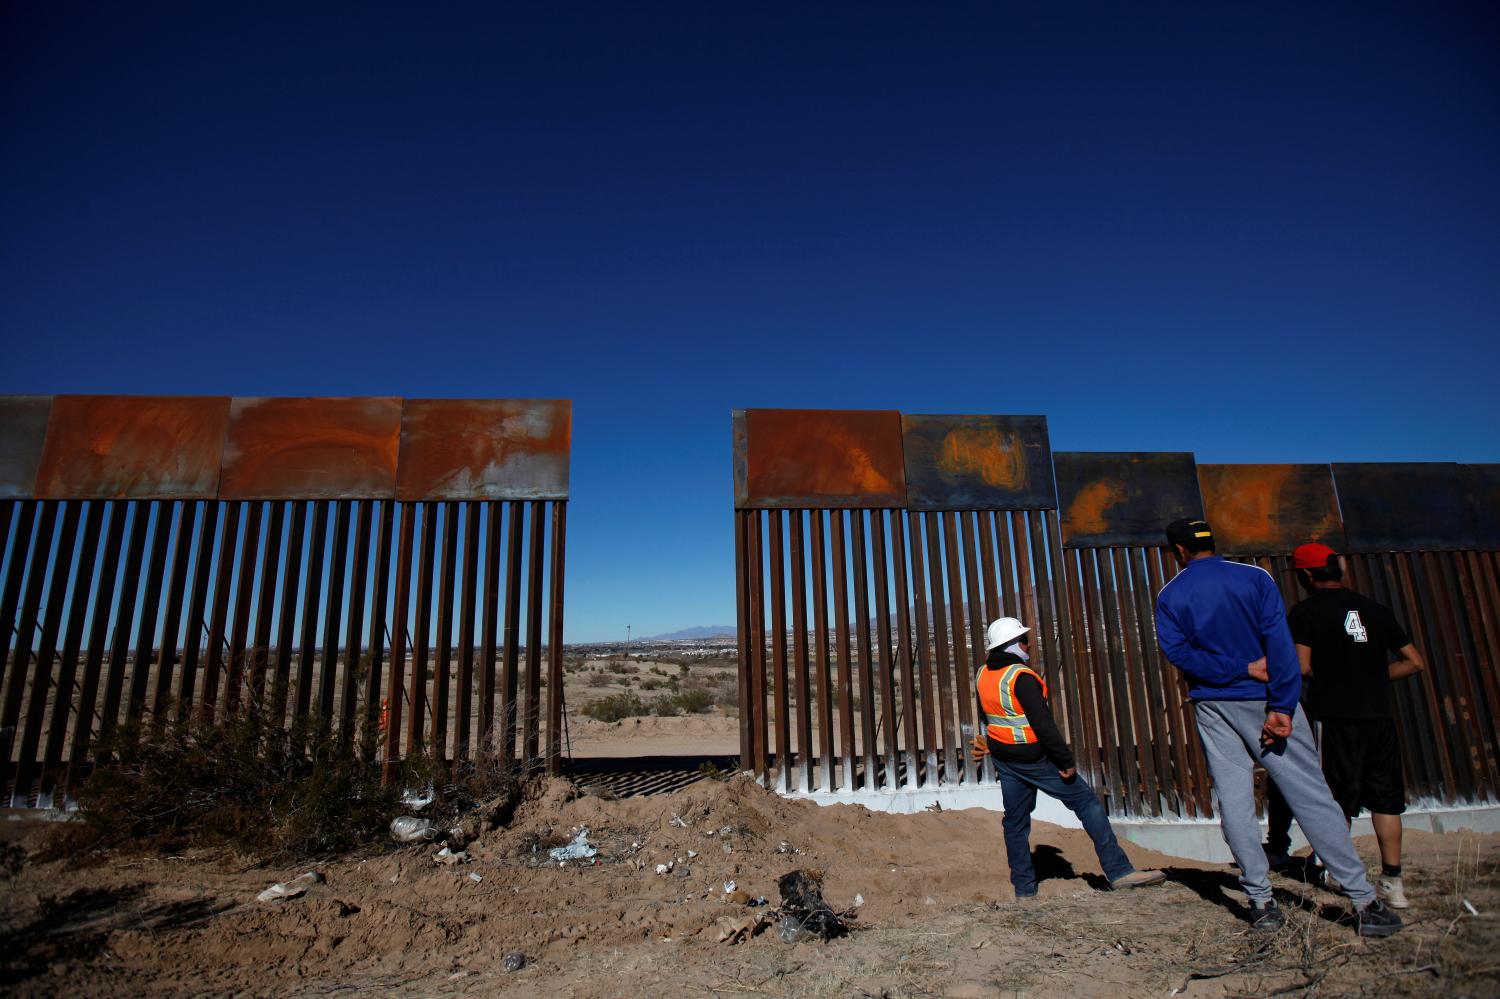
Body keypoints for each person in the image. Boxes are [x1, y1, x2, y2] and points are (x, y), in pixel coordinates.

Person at [1153, 518, 1402, 937]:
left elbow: (1177, 652)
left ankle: (1261, 902)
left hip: (1214, 705)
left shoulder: (1171, 594)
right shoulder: (1255, 579)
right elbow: (1280, 645)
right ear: (1212, 543)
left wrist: (1234, 669)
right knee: (1311, 795)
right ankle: (1364, 902)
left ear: (1177, 551)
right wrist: (1283, 706)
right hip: (1267, 700)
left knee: (1234, 801)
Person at [1277, 541, 1427, 909]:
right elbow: (1414, 662)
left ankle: (1337, 871)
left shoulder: (1305, 612)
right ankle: (1393, 882)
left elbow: (1302, 666)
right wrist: (1374, 676)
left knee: (1335, 799)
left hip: (1335, 716)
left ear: (1307, 575)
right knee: (1387, 801)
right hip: (1379, 716)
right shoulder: (1376, 610)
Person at [972, 615, 1165, 900]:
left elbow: (988, 715)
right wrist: (1064, 761)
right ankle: (1120, 871)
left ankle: (1025, 889)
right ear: (1012, 644)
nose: (1029, 645)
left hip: (1005, 758)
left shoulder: (983, 674)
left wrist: (991, 741)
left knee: (1015, 822)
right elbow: (1043, 725)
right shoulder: (1021, 678)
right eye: (1025, 640)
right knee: (1087, 803)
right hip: (1035, 760)